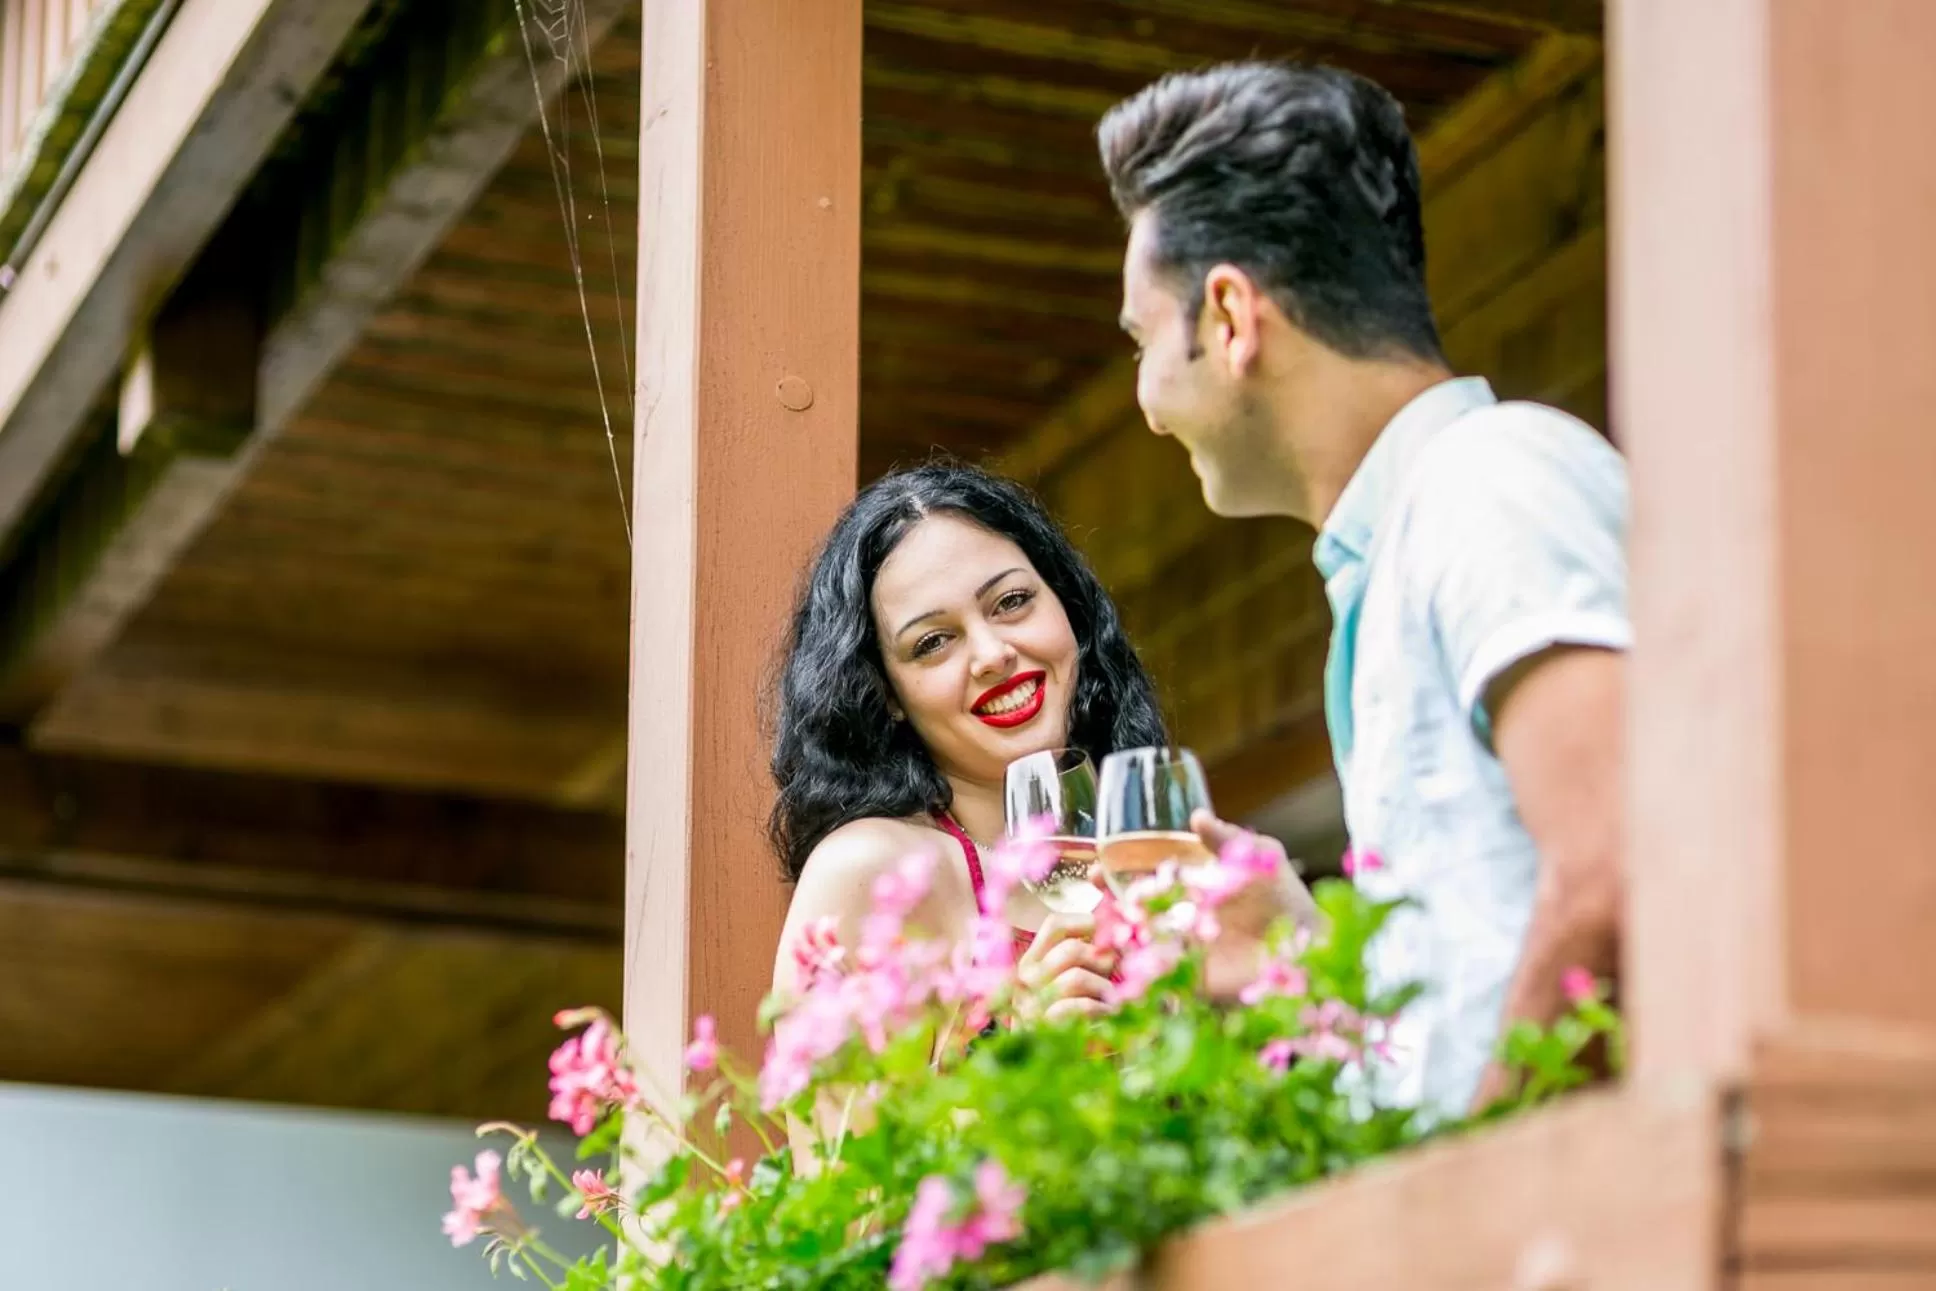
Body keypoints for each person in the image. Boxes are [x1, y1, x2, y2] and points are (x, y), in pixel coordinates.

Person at [1097, 63, 1627, 1122]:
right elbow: (1471, 986)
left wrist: (1464, 1184)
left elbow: (1621, 862)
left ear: (1230, 316)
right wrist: (1298, 955)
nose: (1147, 404)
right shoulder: (1400, 554)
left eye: (1143, 339)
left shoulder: (1490, 481)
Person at [767, 462, 1309, 1020]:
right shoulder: (870, 871)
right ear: (887, 695)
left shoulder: (1160, 858)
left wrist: (1302, 958)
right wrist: (1016, 1044)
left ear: (1068, 607)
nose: (992, 654)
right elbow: (824, 1110)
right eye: (932, 642)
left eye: (1010, 602)